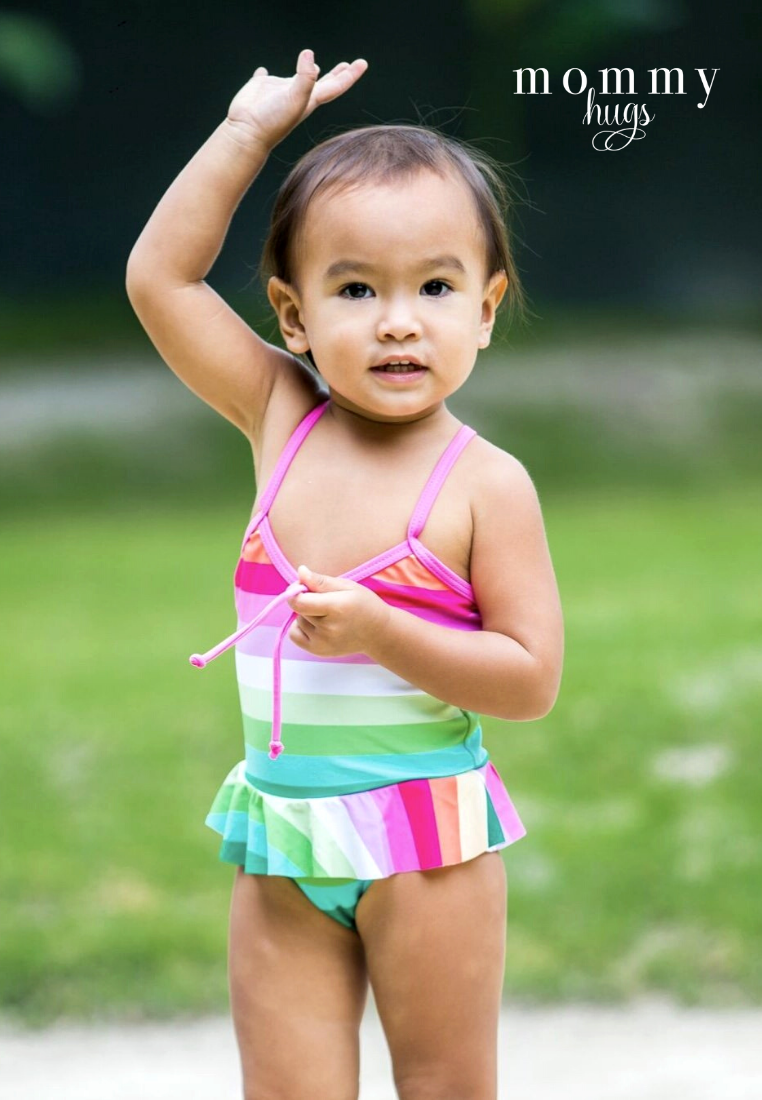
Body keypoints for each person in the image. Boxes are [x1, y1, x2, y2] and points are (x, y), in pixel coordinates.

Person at [126, 47, 564, 1100]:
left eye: (436, 287)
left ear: (488, 307)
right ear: (292, 314)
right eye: (356, 288)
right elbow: (160, 279)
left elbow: (529, 677)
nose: (398, 318)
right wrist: (246, 135)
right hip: (281, 839)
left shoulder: (485, 485)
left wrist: (382, 630)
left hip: (426, 846)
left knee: (445, 1084)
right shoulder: (281, 413)